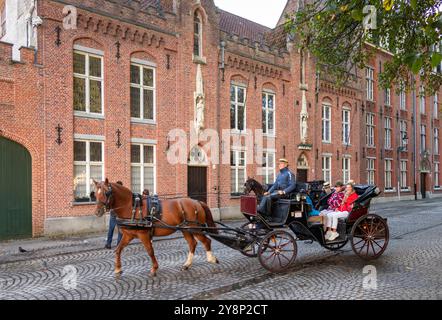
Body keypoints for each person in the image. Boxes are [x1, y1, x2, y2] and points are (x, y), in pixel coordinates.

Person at [105, 180, 123, 249]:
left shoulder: (113, 193)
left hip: (114, 213)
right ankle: (118, 245)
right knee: (120, 231)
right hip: (119, 214)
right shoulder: (122, 194)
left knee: (111, 229)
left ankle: (108, 244)